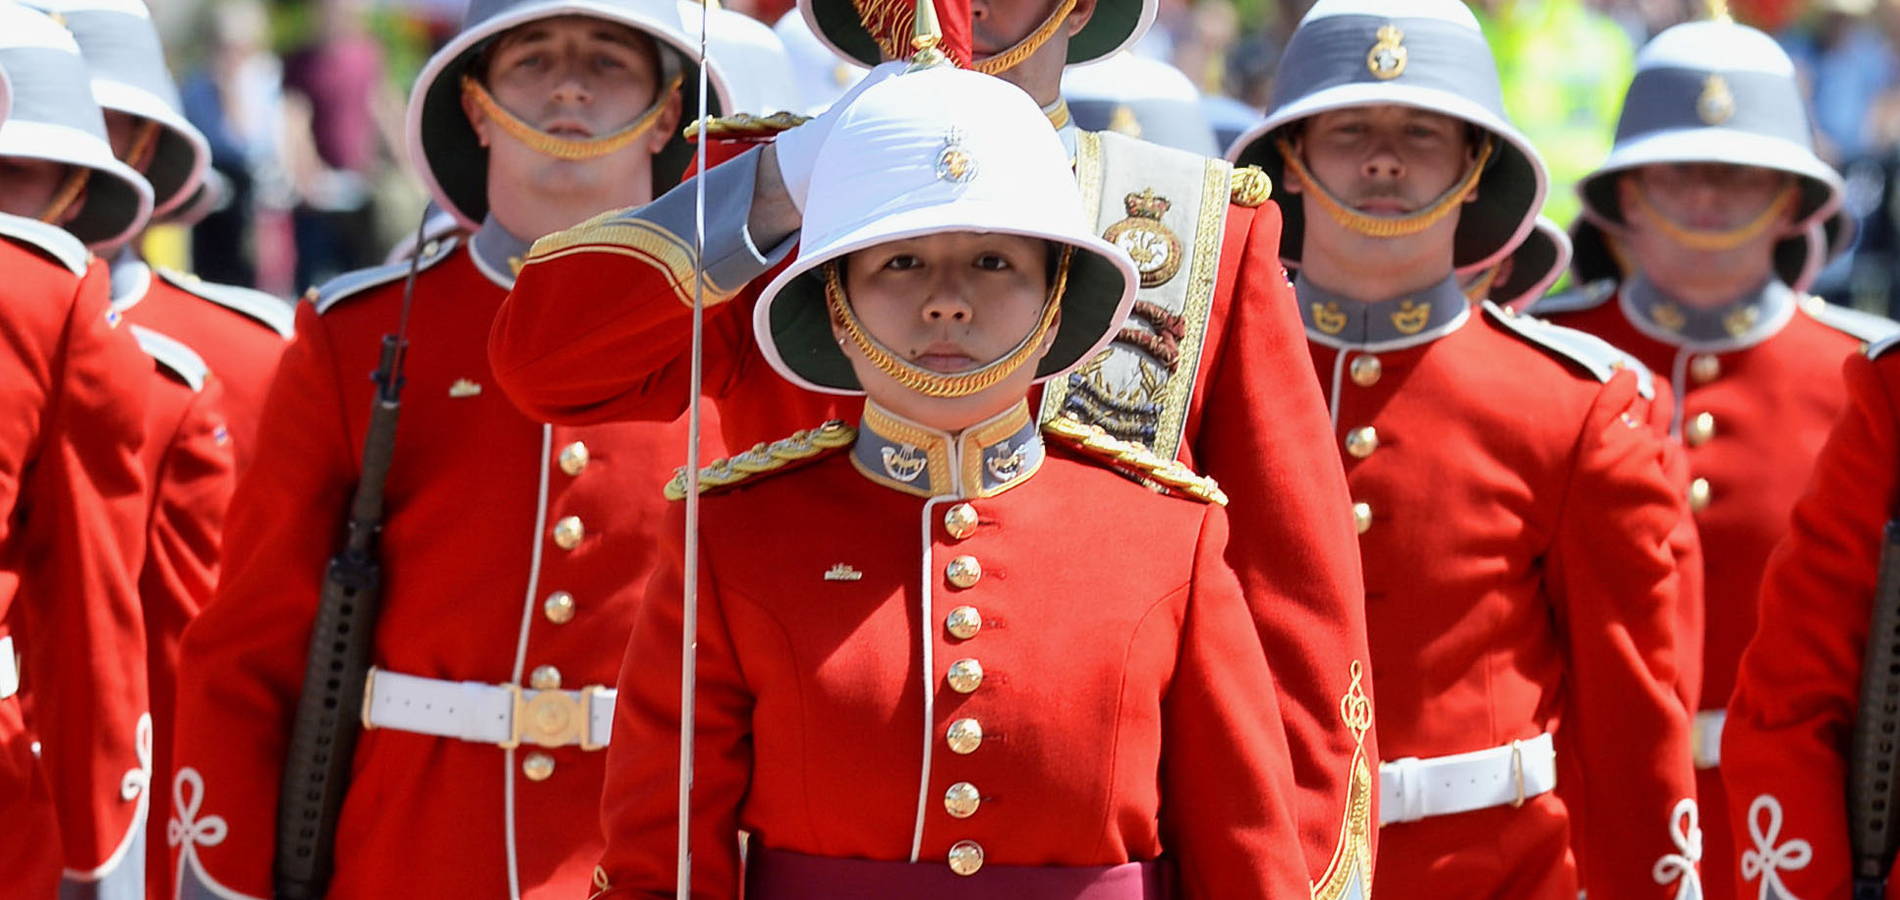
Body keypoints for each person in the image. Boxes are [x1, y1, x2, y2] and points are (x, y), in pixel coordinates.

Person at [490, 0, 1377, 887]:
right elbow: (545, 364)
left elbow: (1294, 618)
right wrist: (789, 177)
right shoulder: (784, 197)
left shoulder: (1197, 221)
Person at [163, 0, 737, 894]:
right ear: (475, 105)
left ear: (669, 111)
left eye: (610, 60)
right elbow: (250, 645)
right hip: (415, 847)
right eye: (532, 59)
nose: (571, 83)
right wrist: (225, 878)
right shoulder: (358, 334)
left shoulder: (745, 340)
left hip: (655, 849)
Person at [1226, 1, 1701, 897]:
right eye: (1347, 129)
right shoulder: (1206, 383)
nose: (1383, 158)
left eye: (1423, 133)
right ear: (1288, 158)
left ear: (1477, 166)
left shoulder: (1574, 405)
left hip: (1494, 873)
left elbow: (1630, 723)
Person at [1523, 17, 1898, 898]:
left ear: (1792, 194)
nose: (1706, 192)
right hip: (1582, 808)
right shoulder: (1546, 354)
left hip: (1791, 821)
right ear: (1624, 189)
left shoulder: (1864, 370)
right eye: (1677, 166)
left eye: (1740, 171)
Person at [0, 2, 154, 895]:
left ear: (70, 193)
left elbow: (91, 603)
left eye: (15, 174)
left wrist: (98, 862)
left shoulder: (43, 302)